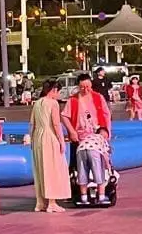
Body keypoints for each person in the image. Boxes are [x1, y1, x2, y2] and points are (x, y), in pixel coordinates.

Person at [65, 73, 112, 205]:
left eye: (88, 86)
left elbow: (106, 115)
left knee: (99, 164)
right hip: (79, 138)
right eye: (82, 87)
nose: (85, 89)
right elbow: (65, 116)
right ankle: (79, 193)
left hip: (97, 136)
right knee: (77, 166)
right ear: (78, 86)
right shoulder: (73, 100)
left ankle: (101, 192)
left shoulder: (98, 97)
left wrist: (106, 132)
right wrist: (71, 131)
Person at [31, 78, 72, 212]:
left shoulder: (37, 103)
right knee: (52, 168)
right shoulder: (53, 103)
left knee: (40, 169)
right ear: (54, 90)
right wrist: (61, 140)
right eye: (58, 91)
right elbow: (56, 124)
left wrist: (32, 140)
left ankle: (40, 202)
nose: (59, 94)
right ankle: (52, 202)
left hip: (38, 137)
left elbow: (32, 124)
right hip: (49, 137)